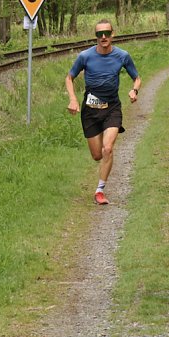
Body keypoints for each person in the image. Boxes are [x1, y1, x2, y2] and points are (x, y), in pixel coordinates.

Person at [66, 19, 141, 205]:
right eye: (99, 34)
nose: (103, 37)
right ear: (96, 37)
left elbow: (137, 78)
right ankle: (101, 172)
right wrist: (73, 99)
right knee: (97, 155)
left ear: (112, 34)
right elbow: (69, 77)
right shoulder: (85, 56)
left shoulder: (122, 56)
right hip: (90, 110)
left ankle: (100, 190)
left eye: (107, 33)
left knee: (108, 148)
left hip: (112, 108)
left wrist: (134, 90)